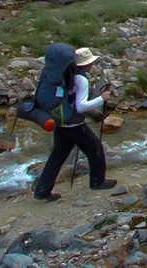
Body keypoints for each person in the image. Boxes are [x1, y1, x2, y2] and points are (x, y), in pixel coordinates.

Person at [32, 47, 116, 202]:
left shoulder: (65, 75)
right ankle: (98, 182)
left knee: (57, 156)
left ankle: (42, 191)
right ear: (86, 64)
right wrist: (101, 99)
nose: (93, 65)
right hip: (73, 124)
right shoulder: (81, 79)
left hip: (60, 121)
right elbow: (81, 106)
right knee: (95, 148)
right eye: (91, 62)